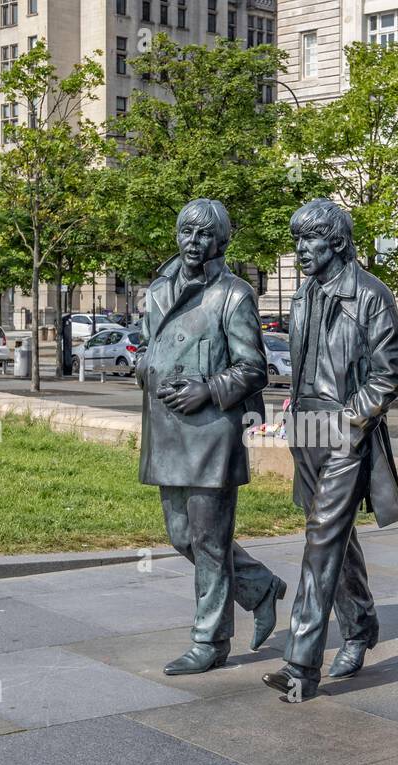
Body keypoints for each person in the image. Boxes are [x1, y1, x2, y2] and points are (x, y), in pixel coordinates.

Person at [261, 198, 398, 701]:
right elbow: (306, 364)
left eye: (310, 240)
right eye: (297, 239)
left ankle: (301, 664)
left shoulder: (370, 295)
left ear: (339, 242)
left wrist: (349, 419)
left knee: (321, 542)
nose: (301, 249)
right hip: (305, 429)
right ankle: (361, 625)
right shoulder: (304, 294)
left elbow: (391, 372)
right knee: (333, 537)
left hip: (345, 432)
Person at [137, 198, 287, 676]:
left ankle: (210, 639)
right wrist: (147, 370)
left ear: (221, 240)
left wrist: (207, 388)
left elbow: (254, 368)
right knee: (182, 535)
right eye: (187, 232)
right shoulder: (158, 289)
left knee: (210, 540)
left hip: (212, 432)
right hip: (166, 428)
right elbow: (146, 347)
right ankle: (260, 587)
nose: (194, 242)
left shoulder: (234, 295)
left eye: (204, 235)